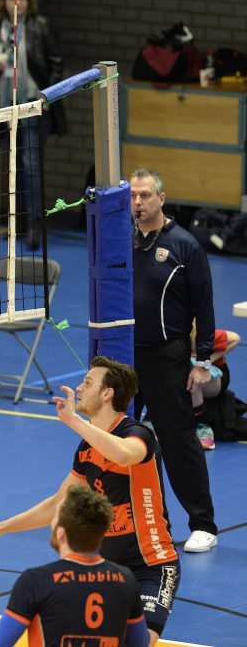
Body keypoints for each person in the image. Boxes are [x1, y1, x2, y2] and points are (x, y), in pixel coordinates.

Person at [0, 357, 179, 645]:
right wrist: (0, 527)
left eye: (88, 383)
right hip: (107, 569)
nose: (79, 388)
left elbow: (124, 455)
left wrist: (74, 421)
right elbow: (59, 503)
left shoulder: (137, 434)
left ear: (108, 393)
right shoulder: (87, 448)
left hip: (152, 566)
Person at [130, 168, 218, 553]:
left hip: (167, 357)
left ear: (161, 199)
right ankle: (136, 522)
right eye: (133, 196)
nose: (138, 202)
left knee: (178, 440)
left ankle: (203, 525)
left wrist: (203, 362)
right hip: (125, 356)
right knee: (120, 438)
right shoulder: (120, 241)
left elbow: (205, 307)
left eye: (145, 195)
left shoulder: (185, 246)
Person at [0, 485, 149, 647]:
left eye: (54, 518)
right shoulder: (126, 580)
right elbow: (140, 642)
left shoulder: (37, 582)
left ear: (61, 533)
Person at [0, 0, 63, 250]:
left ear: (29, 2)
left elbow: (56, 63)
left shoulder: (40, 26)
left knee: (30, 165)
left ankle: (35, 225)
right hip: (6, 107)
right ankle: (14, 223)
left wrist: (47, 95)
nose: (16, 3)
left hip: (32, 106)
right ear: (3, 2)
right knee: (12, 166)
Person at [191, 327, 240, 449]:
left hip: (215, 378)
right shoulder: (172, 337)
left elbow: (235, 338)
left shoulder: (204, 336)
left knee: (192, 373)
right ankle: (153, 419)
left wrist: (207, 360)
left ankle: (203, 426)